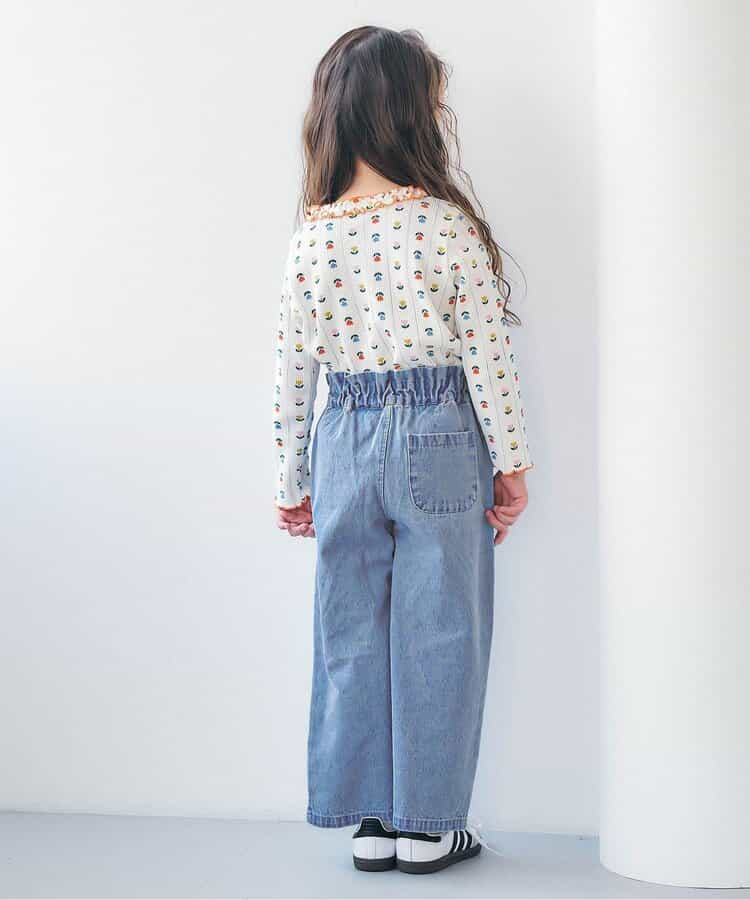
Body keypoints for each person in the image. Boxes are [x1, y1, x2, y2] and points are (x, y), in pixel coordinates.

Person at [272, 25, 532, 875]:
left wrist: (290, 479)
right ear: (410, 114)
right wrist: (512, 464)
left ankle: (371, 821)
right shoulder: (445, 226)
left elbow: (293, 372)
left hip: (344, 434)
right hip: (440, 432)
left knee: (351, 626)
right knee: (442, 626)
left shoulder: (313, 237)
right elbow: (487, 359)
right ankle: (429, 825)